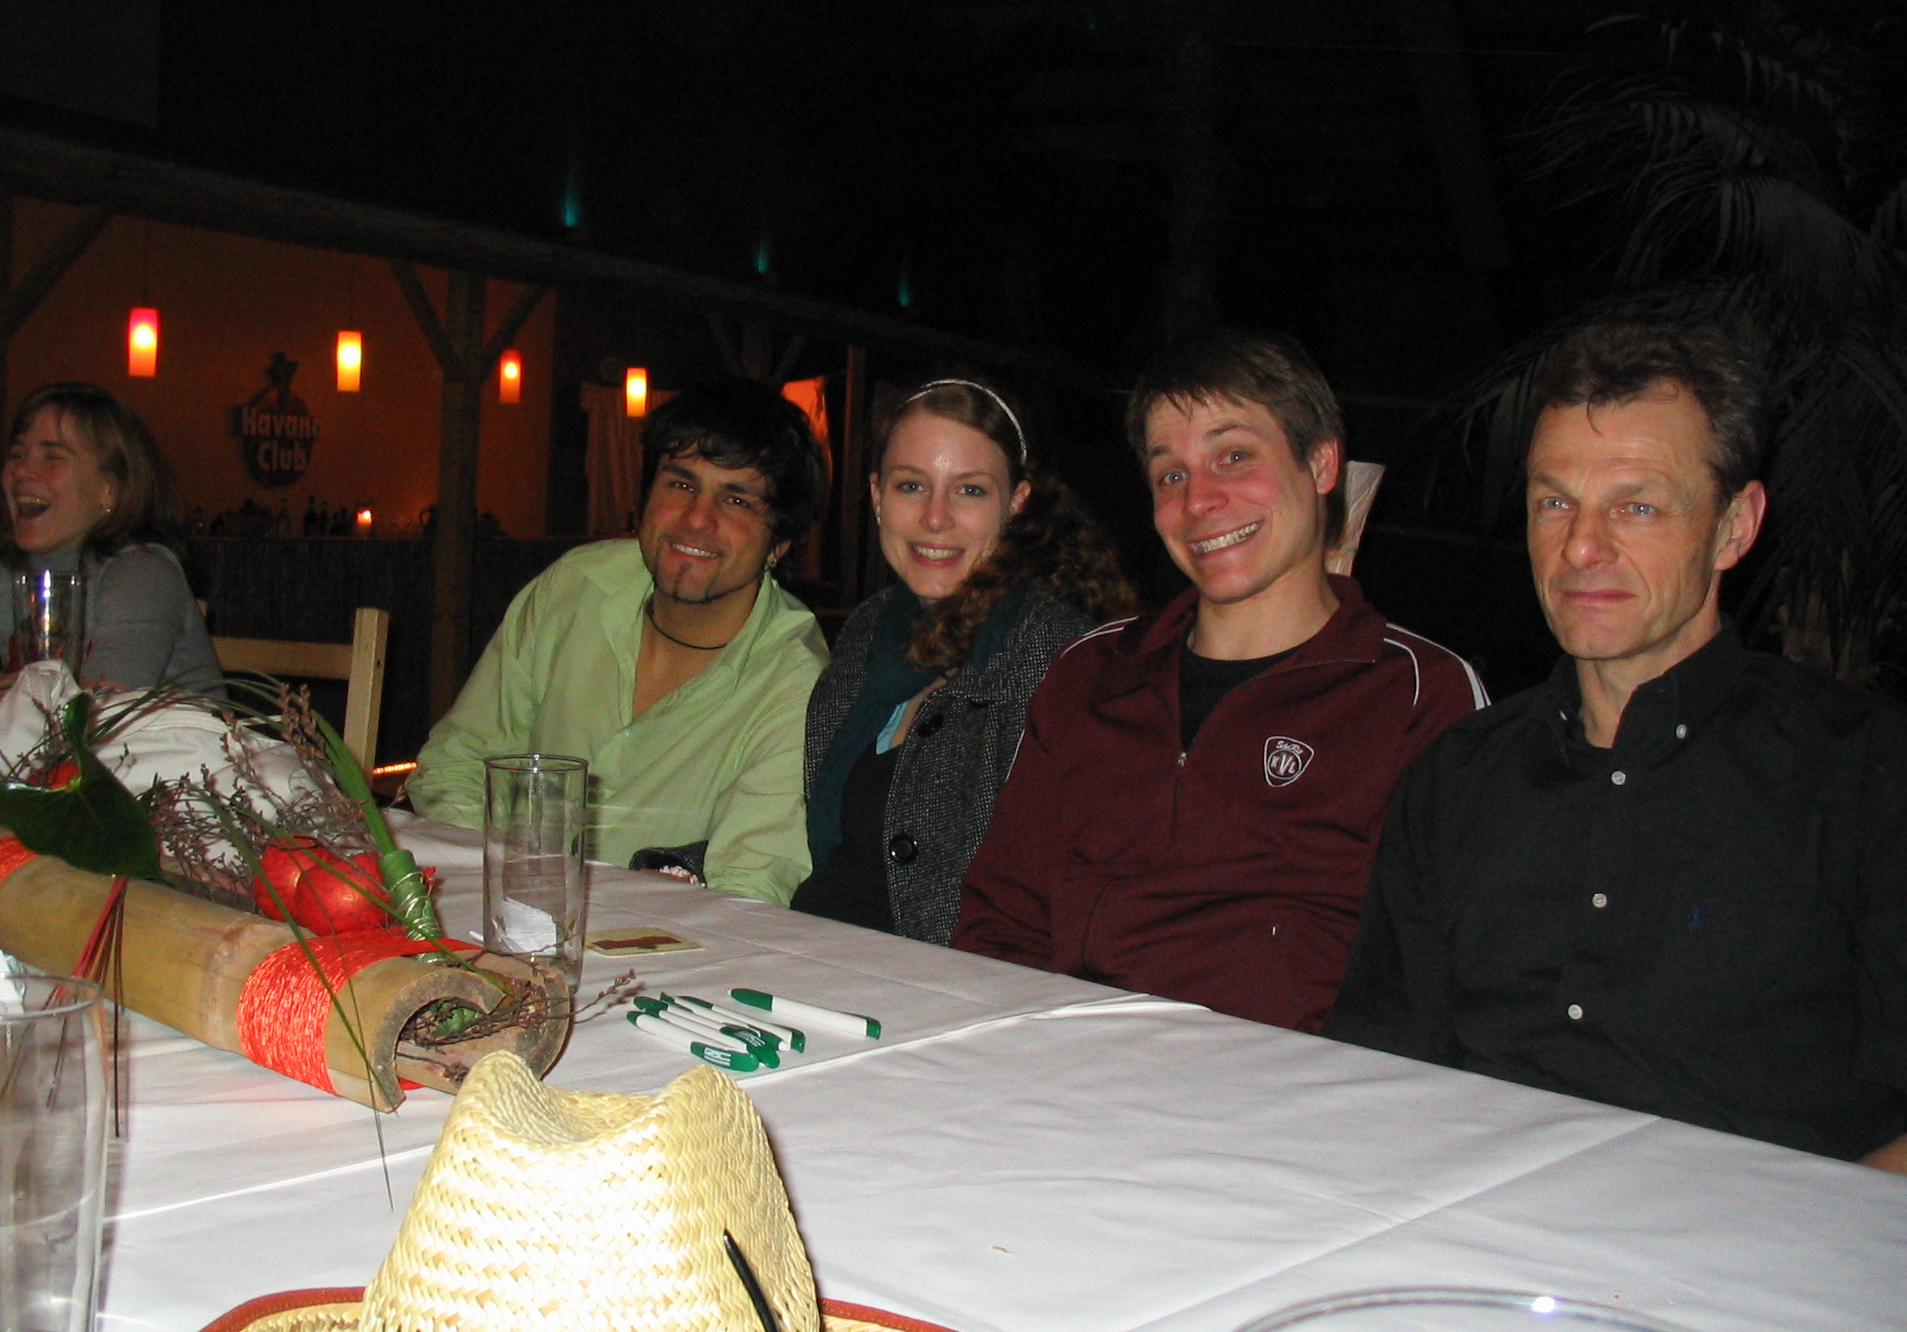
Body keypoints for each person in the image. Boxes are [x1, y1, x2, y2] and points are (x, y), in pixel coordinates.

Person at [1326, 316, 1907, 1171]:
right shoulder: (1458, 779)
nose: (1581, 546)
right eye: (1554, 502)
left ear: (1734, 526)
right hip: (1470, 1217)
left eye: (1636, 506)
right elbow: (1383, 1073)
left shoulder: (1863, 773)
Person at [951, 331, 1487, 1030]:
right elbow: (1001, 921)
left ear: (1321, 462)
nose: (1199, 499)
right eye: (1171, 474)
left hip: (1291, 1080)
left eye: (1234, 456)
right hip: (1070, 1059)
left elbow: (1448, 974)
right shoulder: (1093, 673)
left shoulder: (1417, 694)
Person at [408, 379, 830, 905]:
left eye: (737, 500)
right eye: (681, 484)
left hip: (664, 943)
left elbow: (750, 884)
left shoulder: (797, 679)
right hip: (496, 910)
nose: (697, 519)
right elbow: (457, 764)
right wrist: (516, 886)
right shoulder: (576, 588)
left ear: (779, 543)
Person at [793, 377, 1134, 942]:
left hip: (946, 978)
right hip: (815, 950)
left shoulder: (1060, 660)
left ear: (1015, 502)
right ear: (877, 496)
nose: (935, 518)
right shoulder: (868, 631)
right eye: (911, 486)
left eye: (969, 490)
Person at [0, 382, 220, 691]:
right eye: (17, 454)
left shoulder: (144, 572)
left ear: (109, 490)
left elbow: (103, 701)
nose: (22, 470)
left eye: (52, 458)